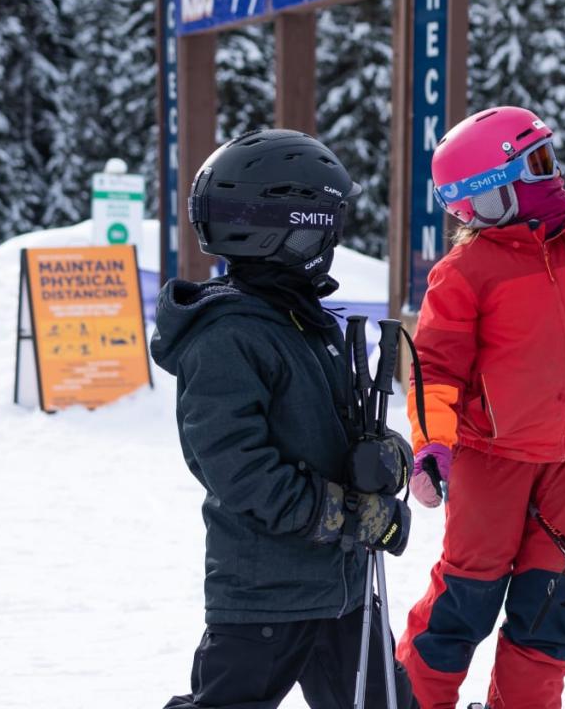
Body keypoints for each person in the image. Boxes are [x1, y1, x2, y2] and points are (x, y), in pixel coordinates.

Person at [394, 59, 565, 709]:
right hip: (493, 464)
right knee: (464, 602)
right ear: (493, 193)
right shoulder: (467, 273)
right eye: (540, 165)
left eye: (549, 157)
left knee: (553, 611)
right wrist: (433, 447)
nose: (557, 175)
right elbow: (435, 370)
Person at [153, 129, 416, 709]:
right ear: (291, 230)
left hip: (342, 590)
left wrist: (388, 453)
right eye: (326, 223)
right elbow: (241, 472)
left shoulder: (302, 322)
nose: (334, 239)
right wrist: (349, 516)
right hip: (266, 593)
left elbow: (342, 431)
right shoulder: (228, 339)